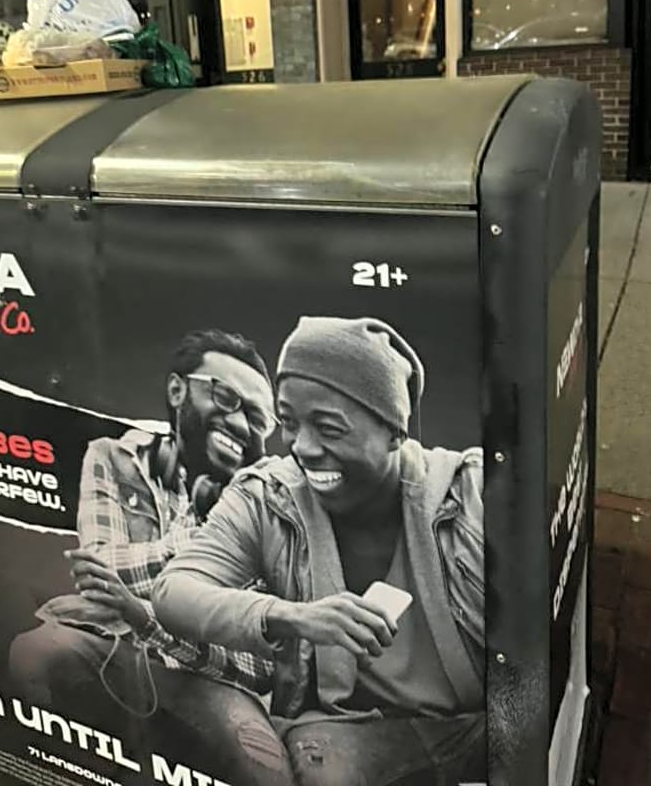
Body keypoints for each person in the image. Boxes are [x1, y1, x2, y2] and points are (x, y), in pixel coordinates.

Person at [153, 316, 486, 786]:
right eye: (289, 423)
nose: (303, 447)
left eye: (329, 428)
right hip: (352, 730)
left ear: (395, 431)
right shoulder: (268, 498)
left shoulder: (472, 494)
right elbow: (174, 591)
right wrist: (293, 617)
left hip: (481, 720)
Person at [9, 328, 278, 764]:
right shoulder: (113, 457)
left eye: (258, 419)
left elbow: (259, 662)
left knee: (263, 767)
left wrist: (142, 613)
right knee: (34, 654)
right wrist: (211, 548)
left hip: (213, 681)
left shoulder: (266, 507)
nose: (242, 425)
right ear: (177, 390)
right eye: (227, 398)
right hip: (112, 648)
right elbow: (97, 571)